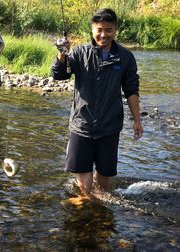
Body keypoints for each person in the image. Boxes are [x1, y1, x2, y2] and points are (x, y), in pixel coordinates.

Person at [51, 8, 143, 197]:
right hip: (81, 124)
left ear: (115, 30)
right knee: (85, 187)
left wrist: (137, 120)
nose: (103, 35)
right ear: (92, 29)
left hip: (109, 126)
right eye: (99, 29)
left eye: (108, 30)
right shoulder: (78, 52)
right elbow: (59, 75)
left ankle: (98, 212)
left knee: (103, 182)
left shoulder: (125, 57)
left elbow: (131, 90)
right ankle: (87, 208)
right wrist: (62, 54)